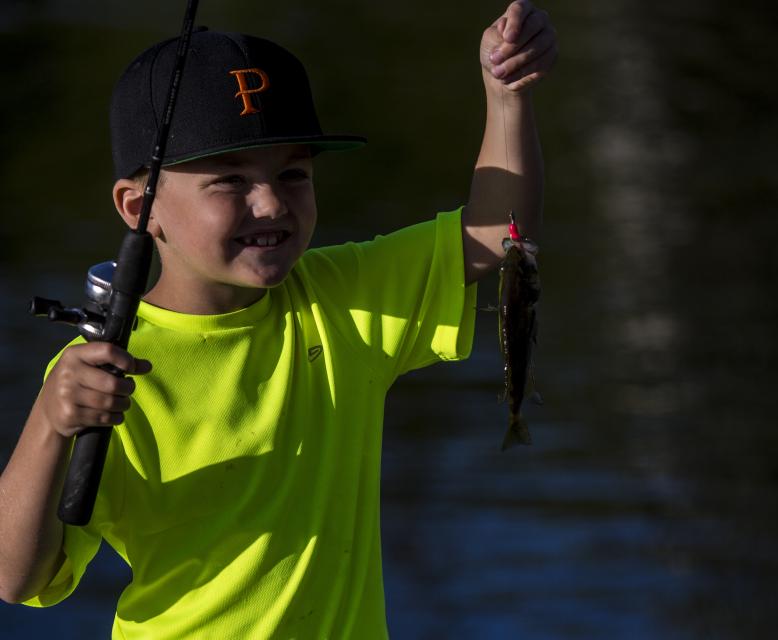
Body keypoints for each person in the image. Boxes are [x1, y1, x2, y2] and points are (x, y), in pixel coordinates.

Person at [0, 2, 556, 637]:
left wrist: (507, 95)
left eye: (293, 173)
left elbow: (497, 238)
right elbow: (17, 579)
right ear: (138, 206)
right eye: (230, 181)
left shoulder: (342, 301)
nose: (270, 203)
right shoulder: (100, 374)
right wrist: (50, 422)